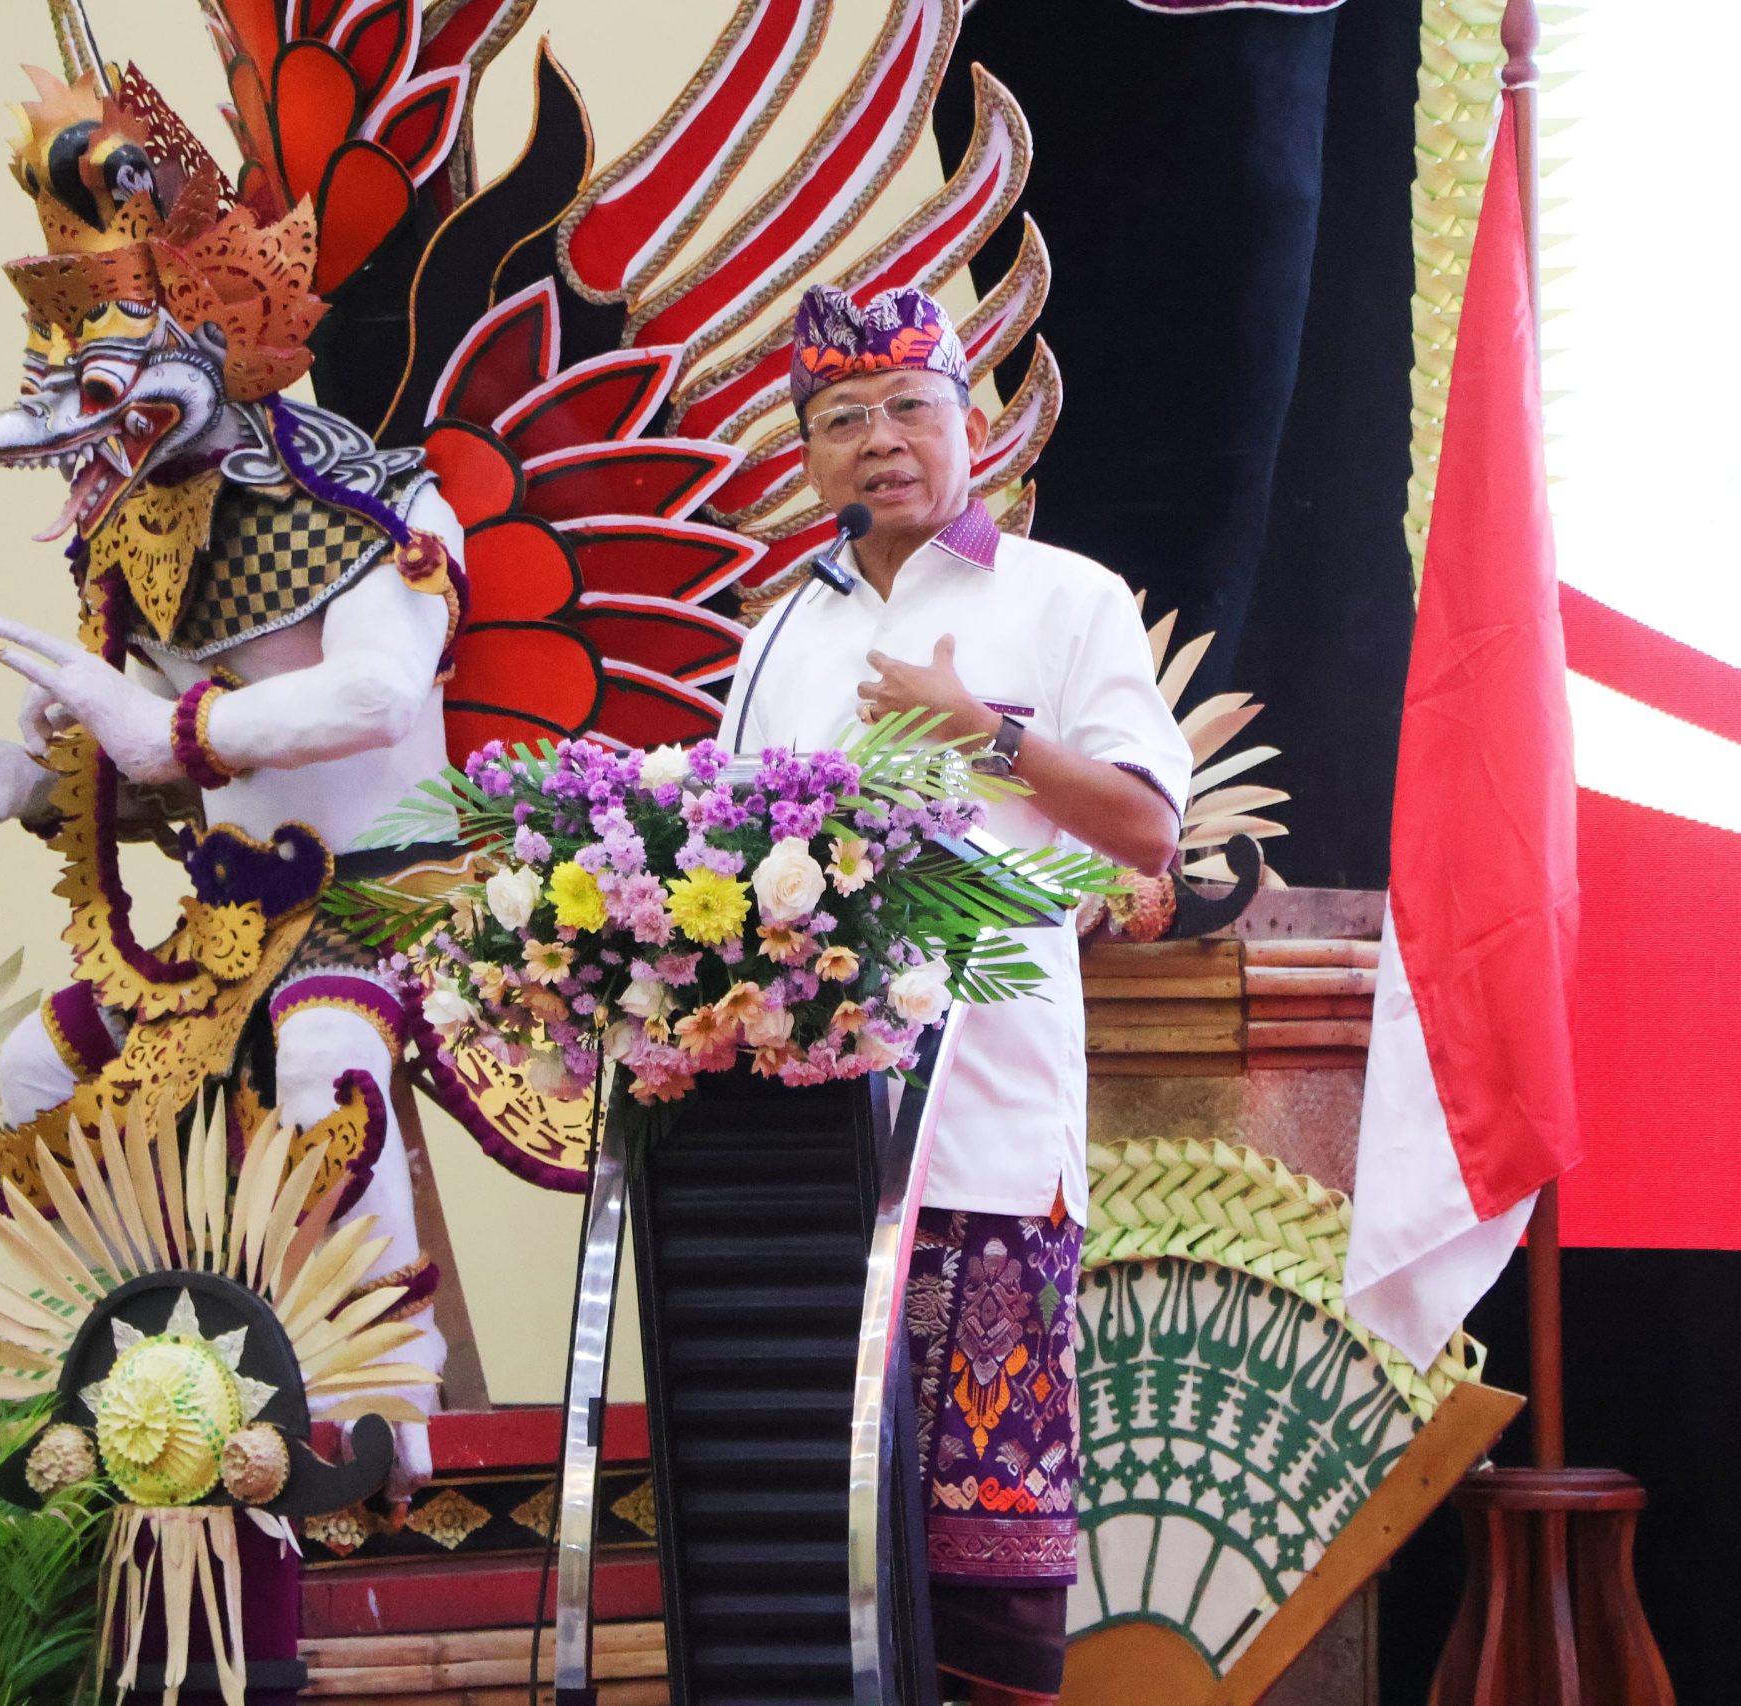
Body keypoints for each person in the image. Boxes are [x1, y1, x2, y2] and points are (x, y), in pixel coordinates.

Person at [720, 284, 1191, 1705]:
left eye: (912, 408)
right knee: (802, 1543)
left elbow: (1148, 829)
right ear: (807, 454)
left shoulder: (1064, 596)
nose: (881, 440)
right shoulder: (777, 630)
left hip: (976, 1137)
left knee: (986, 1553)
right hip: (789, 1146)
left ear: (972, 426)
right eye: (841, 418)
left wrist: (986, 736)